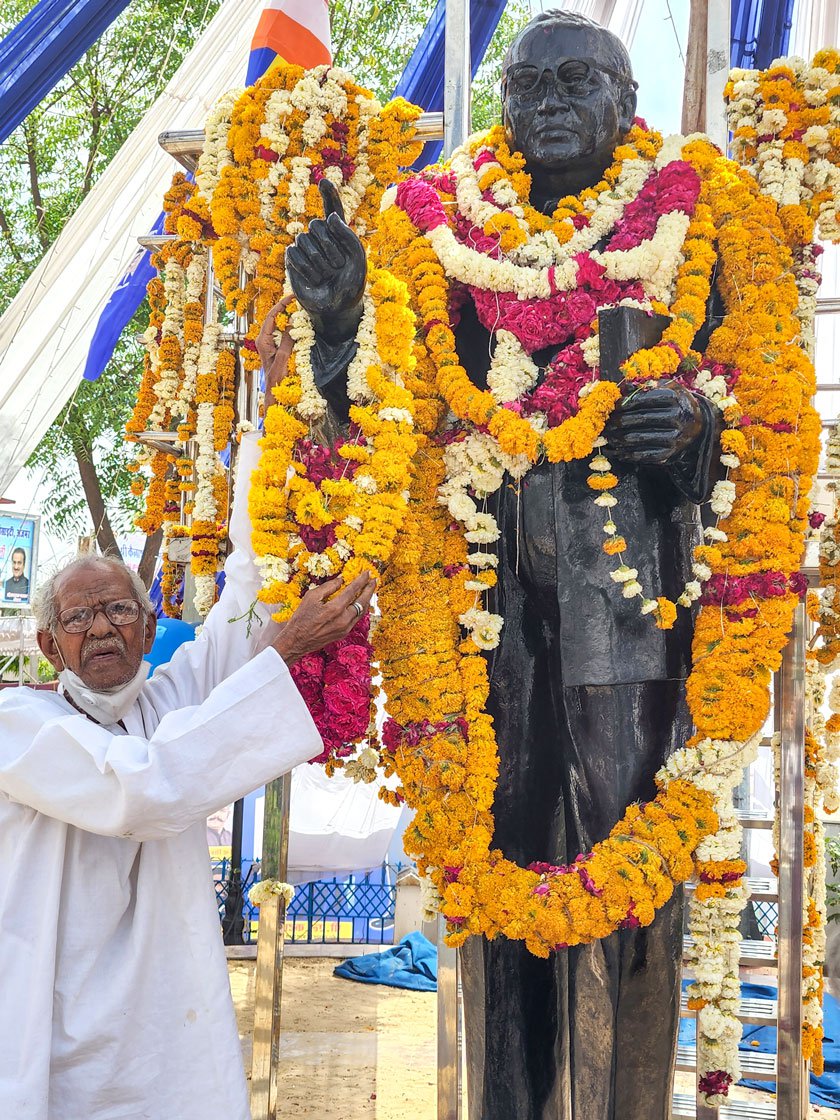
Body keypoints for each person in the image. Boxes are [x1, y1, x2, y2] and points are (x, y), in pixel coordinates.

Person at [282, 11, 723, 1119]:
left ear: (628, 106)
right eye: (528, 86)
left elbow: (757, 431)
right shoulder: (438, 240)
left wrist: (692, 432)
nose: (551, 104)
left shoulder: (690, 234)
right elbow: (378, 420)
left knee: (629, 902)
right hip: (482, 631)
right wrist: (339, 329)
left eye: (579, 81)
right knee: (492, 893)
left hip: (630, 622)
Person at [0, 424, 375, 1120]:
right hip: (48, 1036)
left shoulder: (168, 701)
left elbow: (247, 591)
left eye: (119, 609)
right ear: (51, 644)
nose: (104, 628)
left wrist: (265, 414)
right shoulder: (17, 726)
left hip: (162, 1043)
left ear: (148, 628)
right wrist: (283, 650)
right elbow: (139, 788)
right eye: (80, 617)